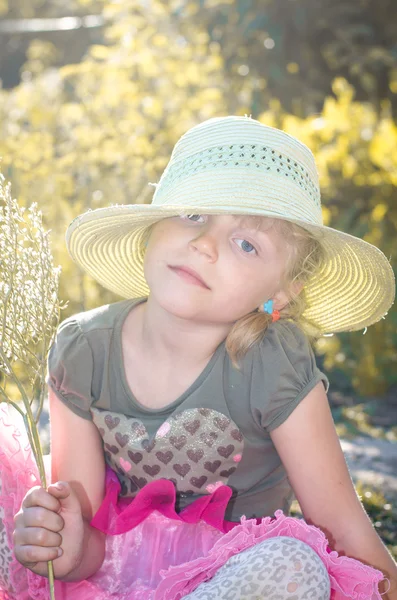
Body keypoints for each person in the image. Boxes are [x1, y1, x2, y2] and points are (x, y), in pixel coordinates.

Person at [0, 115, 396, 600]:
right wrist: (59, 542)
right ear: (153, 225)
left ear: (283, 292)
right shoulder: (85, 349)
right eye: (192, 214)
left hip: (228, 581)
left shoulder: (272, 368)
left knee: (297, 566)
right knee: (10, 501)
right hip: (112, 579)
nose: (203, 244)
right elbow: (84, 547)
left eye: (246, 243)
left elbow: (344, 532)